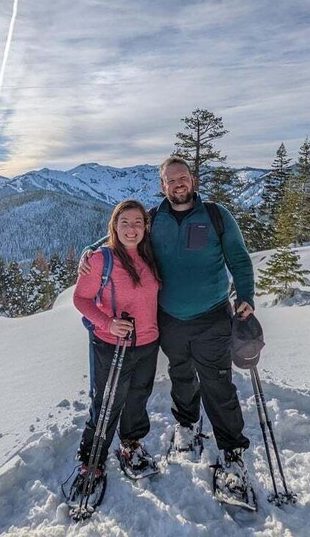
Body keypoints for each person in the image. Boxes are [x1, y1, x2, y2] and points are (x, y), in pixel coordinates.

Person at [80, 156, 256, 503]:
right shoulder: (154, 217)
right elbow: (121, 235)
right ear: (162, 186)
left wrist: (246, 294)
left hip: (212, 316)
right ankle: (186, 426)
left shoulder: (216, 216)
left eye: (183, 178)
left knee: (218, 383)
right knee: (181, 374)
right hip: (170, 319)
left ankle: (232, 454)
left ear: (193, 180)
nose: (178, 184)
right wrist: (91, 249)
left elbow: (239, 258)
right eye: (170, 180)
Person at [71, 199, 161, 497]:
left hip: (147, 342)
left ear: (146, 227)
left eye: (137, 223)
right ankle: (91, 460)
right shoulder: (100, 259)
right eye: (125, 223)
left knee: (137, 398)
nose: (132, 229)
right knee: (107, 401)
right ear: (114, 226)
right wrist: (107, 323)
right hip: (110, 345)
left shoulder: (151, 255)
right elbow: (81, 300)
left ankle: (130, 444)